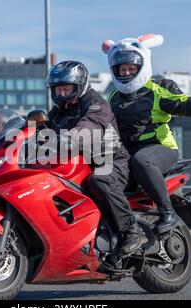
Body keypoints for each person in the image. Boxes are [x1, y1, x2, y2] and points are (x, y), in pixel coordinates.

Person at [102, 34, 191, 234]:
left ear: (141, 66)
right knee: (100, 177)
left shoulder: (158, 89)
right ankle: (121, 234)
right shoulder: (113, 97)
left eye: (132, 68)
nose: (127, 72)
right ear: (116, 71)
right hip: (126, 156)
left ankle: (168, 213)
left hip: (160, 149)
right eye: (123, 69)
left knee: (141, 160)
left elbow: (187, 106)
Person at [46, 60, 148, 255]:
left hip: (112, 162)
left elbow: (88, 127)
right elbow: (38, 130)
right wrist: (10, 141)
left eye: (66, 89)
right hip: (80, 165)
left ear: (79, 85)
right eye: (57, 90)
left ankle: (131, 231)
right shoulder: (59, 112)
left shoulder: (95, 104)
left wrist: (67, 139)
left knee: (100, 179)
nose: (61, 94)